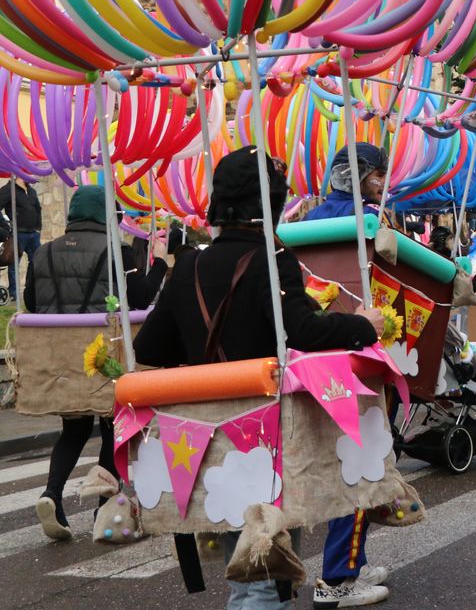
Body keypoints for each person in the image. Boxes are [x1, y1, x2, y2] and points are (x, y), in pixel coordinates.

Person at [133, 147, 383, 610]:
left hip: (204, 434)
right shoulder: (272, 259)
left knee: (254, 570)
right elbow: (304, 331)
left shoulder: (189, 263)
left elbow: (148, 348)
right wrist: (364, 324)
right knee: (261, 581)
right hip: (262, 431)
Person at [30, 186, 167, 541]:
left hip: (62, 358)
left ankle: (52, 494)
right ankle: (106, 509)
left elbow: (31, 300)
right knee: (112, 428)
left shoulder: (43, 253)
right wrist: (161, 261)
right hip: (104, 355)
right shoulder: (116, 251)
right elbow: (140, 295)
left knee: (73, 431)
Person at [302, 144, 396, 609]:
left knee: (331, 464)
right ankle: (337, 577)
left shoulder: (305, 221)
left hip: (310, 358)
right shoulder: (372, 221)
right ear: (361, 176)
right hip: (358, 356)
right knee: (359, 465)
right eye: (377, 173)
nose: (384, 180)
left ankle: (349, 561)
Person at [1, 177, 41, 302]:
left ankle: (31, 289)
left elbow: (37, 209)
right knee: (14, 265)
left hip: (34, 233)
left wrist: (39, 227)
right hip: (18, 234)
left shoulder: (32, 191)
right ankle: (13, 292)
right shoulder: (8, 190)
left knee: (37, 262)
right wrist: (6, 227)